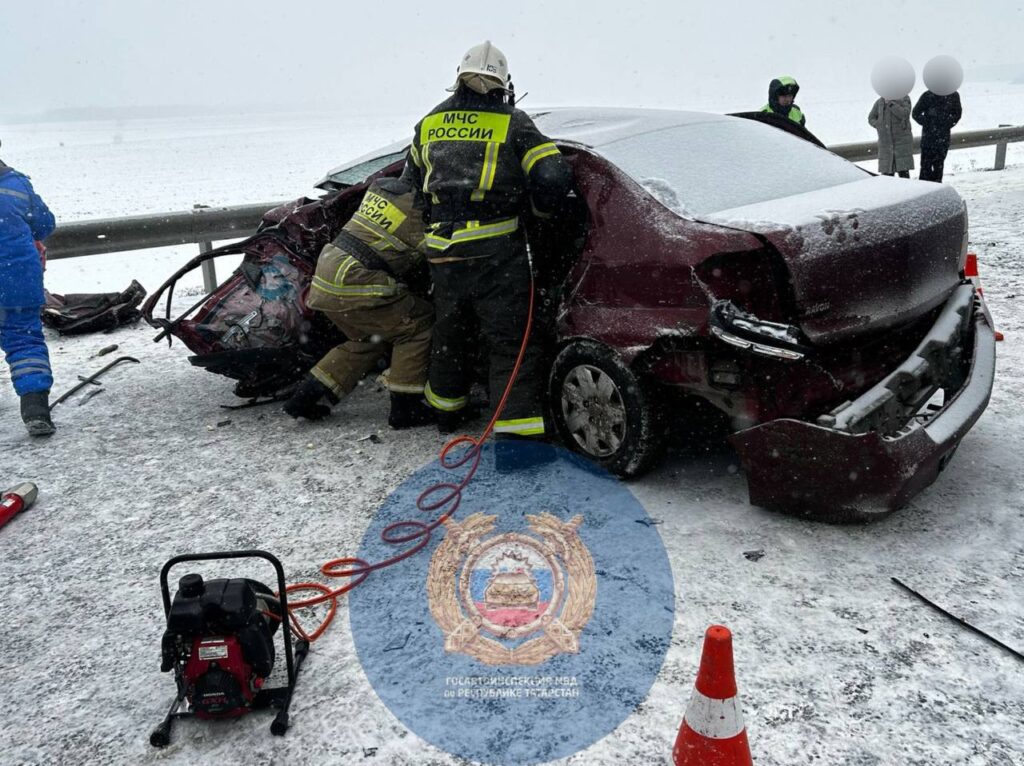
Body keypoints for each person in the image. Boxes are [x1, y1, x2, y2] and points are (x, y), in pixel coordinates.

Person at [401, 41, 573, 439]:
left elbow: (408, 185)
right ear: (503, 82)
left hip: (442, 253)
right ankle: (516, 435)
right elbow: (553, 177)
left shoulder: (428, 124)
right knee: (510, 341)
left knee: (451, 333)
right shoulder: (512, 122)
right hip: (496, 251)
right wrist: (542, 213)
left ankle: (446, 413)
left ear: (457, 80)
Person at [282, 177, 436, 429]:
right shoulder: (421, 211)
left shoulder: (384, 189)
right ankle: (405, 408)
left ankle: (303, 398)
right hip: (357, 280)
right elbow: (442, 254)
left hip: (327, 277)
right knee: (417, 326)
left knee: (367, 339)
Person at [0, 143, 57, 436]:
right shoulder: (17, 186)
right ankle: (35, 409)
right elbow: (45, 224)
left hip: (14, 279)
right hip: (16, 282)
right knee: (24, 343)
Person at [913, 89, 962, 182]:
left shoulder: (953, 95)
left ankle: (935, 190)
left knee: (938, 167)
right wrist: (928, 122)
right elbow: (915, 113)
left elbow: (957, 114)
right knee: (925, 168)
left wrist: (946, 123)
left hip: (941, 138)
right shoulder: (927, 95)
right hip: (929, 139)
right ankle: (925, 190)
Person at [868, 95, 914, 177]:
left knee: (903, 173)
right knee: (887, 174)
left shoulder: (904, 98)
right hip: (886, 144)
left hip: (901, 143)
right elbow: (871, 118)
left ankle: (906, 190)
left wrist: (891, 104)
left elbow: (905, 114)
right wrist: (879, 125)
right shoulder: (880, 102)